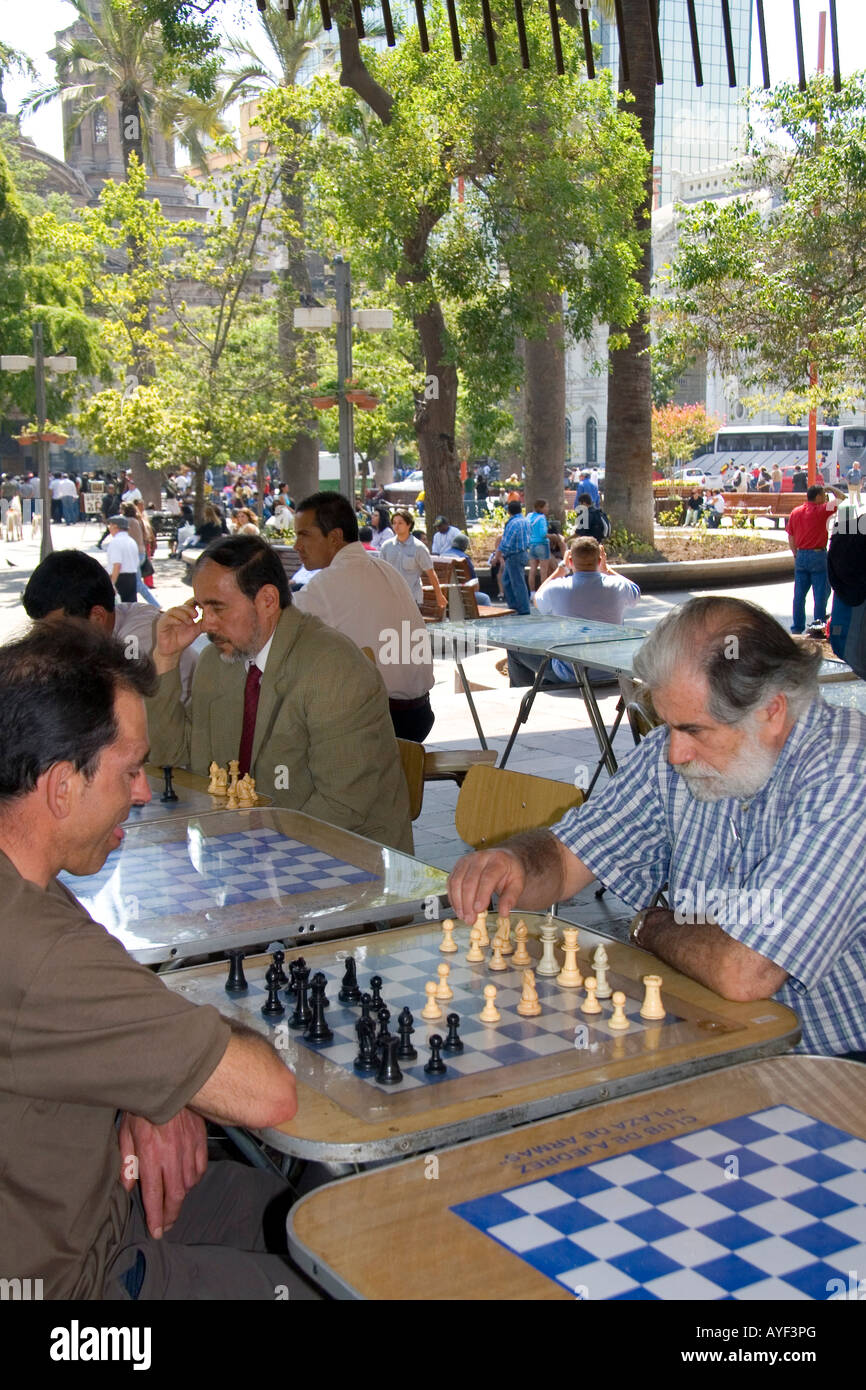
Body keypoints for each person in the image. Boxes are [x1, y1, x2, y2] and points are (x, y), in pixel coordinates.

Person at [0, 621, 319, 1300]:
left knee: (292, 1212)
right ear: (61, 787)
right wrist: (174, 1070)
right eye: (130, 770)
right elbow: (266, 1092)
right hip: (72, 1286)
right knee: (318, 1281)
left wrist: (154, 1087)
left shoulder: (25, 880)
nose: (143, 793)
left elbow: (103, 1024)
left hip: (90, 1201)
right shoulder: (39, 950)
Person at [448, 596, 866, 1059]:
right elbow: (567, 859)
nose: (674, 754)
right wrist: (516, 864)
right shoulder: (673, 754)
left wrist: (650, 926)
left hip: (835, 1064)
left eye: (694, 730)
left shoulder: (850, 773)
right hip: (714, 1032)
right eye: (667, 727)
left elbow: (744, 971)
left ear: (772, 710)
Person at [145, 534, 413, 852]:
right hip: (246, 849)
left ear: (268, 601)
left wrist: (254, 852)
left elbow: (343, 807)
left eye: (217, 608)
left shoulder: (334, 669)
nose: (206, 625)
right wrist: (165, 659)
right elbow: (170, 758)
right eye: (202, 608)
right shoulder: (216, 663)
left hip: (347, 860)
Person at [292, 492, 435, 743]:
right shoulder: (384, 569)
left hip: (382, 723)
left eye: (304, 535)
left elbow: (273, 631)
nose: (296, 546)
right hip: (418, 715)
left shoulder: (329, 584)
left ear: (334, 537)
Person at [22, 549, 203, 702]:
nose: (50, 642)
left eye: (58, 631)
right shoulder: (111, 625)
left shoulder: (137, 639)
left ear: (97, 617)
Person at [507, 537, 641, 686]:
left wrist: (561, 568)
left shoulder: (557, 588)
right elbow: (636, 592)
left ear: (570, 561)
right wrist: (606, 569)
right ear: (599, 560)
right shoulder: (618, 586)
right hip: (612, 671)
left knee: (514, 650)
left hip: (570, 673)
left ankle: (520, 700)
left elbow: (537, 599)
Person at [787, 483, 843, 635]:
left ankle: (797, 628)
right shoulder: (822, 510)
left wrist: (795, 554)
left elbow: (791, 536)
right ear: (818, 496)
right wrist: (831, 488)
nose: (825, 499)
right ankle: (818, 627)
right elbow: (842, 498)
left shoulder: (795, 512)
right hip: (818, 555)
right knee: (820, 595)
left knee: (799, 595)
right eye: (824, 496)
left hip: (801, 555)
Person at [380, 510, 447, 612]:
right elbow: (380, 572)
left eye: (400, 523)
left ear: (409, 525)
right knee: (390, 628)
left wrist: (439, 595)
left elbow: (431, 573)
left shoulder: (419, 548)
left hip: (411, 599)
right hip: (389, 599)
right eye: (394, 523)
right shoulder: (386, 546)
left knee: (406, 627)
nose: (396, 526)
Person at [492, 500, 531, 614]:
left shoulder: (513, 523)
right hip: (522, 553)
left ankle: (523, 609)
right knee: (507, 581)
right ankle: (513, 606)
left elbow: (505, 543)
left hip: (514, 555)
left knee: (517, 583)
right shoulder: (525, 521)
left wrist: (496, 557)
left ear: (509, 511)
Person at [436, 532, 491, 606]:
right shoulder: (464, 558)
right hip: (461, 594)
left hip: (443, 592)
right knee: (485, 598)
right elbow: (474, 581)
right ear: (465, 546)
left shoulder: (442, 555)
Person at [105, 516, 140, 603]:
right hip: (132, 577)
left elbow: (117, 565)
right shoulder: (131, 541)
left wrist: (112, 583)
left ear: (115, 526)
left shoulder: (116, 542)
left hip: (120, 578)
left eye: (110, 525)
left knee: (120, 608)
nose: (109, 528)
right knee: (130, 606)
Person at [525, 498, 551, 591]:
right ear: (541, 508)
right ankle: (542, 591)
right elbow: (543, 533)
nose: (548, 509)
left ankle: (532, 592)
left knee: (532, 570)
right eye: (546, 507)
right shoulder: (542, 518)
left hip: (531, 545)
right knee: (543, 571)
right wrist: (553, 536)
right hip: (542, 545)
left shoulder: (529, 516)